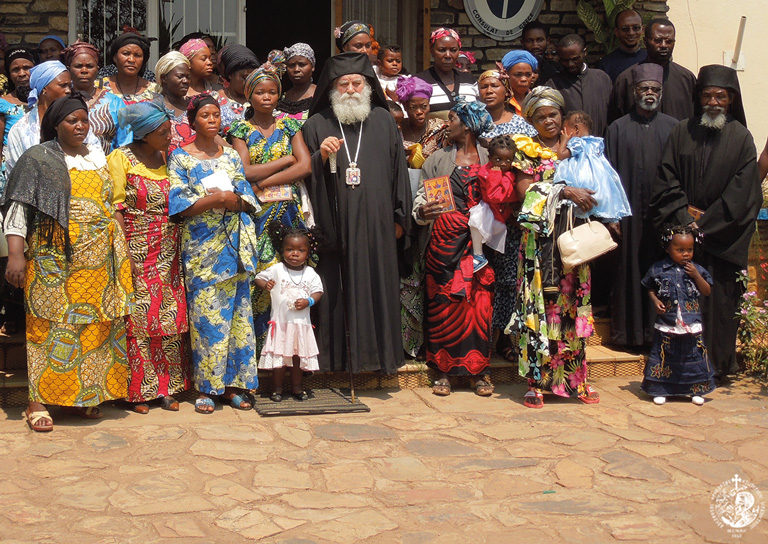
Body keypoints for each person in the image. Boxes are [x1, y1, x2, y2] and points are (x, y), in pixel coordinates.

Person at [2, 95, 133, 431]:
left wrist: (123, 250)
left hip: (99, 260)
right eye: (71, 121)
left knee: (94, 328)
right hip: (54, 259)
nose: (79, 126)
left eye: (84, 120)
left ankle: (83, 397)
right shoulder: (39, 159)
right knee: (48, 327)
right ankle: (37, 402)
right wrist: (16, 254)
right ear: (55, 124)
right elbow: (18, 210)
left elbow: (109, 205)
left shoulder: (96, 156)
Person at [301, 52, 412, 373]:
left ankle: (380, 359)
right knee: (338, 291)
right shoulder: (316, 124)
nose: (350, 89)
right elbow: (307, 178)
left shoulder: (383, 120)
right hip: (337, 226)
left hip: (379, 226)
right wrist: (320, 156)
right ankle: (339, 361)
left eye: (356, 83)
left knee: (378, 289)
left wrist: (399, 217)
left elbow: (399, 172)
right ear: (332, 88)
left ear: (367, 86)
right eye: (343, 83)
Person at [651, 64, 761, 384]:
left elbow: (744, 191)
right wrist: (683, 220)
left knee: (718, 306)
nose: (713, 102)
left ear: (731, 100)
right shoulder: (681, 131)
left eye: (721, 97)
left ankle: (715, 366)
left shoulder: (741, 138)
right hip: (682, 239)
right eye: (708, 95)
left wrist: (705, 225)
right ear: (699, 98)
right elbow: (666, 178)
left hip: (720, 242)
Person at [168, 93, 261, 413]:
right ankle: (206, 388)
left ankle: (232, 387)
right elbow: (180, 206)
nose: (213, 119)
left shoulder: (232, 155)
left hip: (234, 250)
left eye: (217, 115)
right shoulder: (180, 158)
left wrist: (230, 199)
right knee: (207, 320)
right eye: (205, 115)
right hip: (202, 251)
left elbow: (246, 198)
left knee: (237, 321)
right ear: (192, 120)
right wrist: (219, 197)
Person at [509, 86, 601, 408]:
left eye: (553, 114)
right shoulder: (526, 151)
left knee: (572, 306)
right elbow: (525, 191)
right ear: (531, 121)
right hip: (541, 244)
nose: (548, 121)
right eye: (540, 116)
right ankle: (537, 381)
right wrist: (564, 191)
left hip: (575, 240)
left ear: (562, 116)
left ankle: (577, 379)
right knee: (541, 307)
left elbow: (599, 180)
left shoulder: (579, 147)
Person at [108, 101, 191, 413]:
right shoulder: (121, 158)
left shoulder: (168, 157)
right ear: (144, 134)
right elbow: (115, 206)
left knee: (169, 314)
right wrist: (124, 249)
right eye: (163, 133)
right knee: (140, 317)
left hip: (169, 245)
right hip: (137, 245)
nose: (169, 137)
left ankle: (168, 387)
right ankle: (140, 391)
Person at [229, 50, 312, 358]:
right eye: (260, 92)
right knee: (261, 279)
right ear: (249, 95)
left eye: (273, 91)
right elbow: (244, 170)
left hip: (288, 213)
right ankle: (261, 356)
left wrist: (264, 182)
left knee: (292, 278)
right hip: (258, 216)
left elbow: (305, 166)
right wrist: (286, 160)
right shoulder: (240, 130)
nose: (267, 97)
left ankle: (291, 357)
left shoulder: (290, 125)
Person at [413, 98, 494, 396]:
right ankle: (443, 371)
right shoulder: (437, 160)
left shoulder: (491, 157)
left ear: (469, 124)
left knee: (478, 306)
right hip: (443, 244)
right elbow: (422, 198)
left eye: (453, 119)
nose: (448, 124)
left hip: (480, 244)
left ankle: (479, 371)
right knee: (443, 305)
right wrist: (422, 212)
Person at [605, 63, 677, 347]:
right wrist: (611, 217)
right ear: (635, 92)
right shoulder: (617, 128)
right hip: (627, 215)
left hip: (663, 215)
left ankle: (659, 333)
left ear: (661, 92)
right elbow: (608, 175)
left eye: (655, 89)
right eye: (644, 88)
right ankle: (629, 336)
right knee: (628, 269)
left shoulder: (674, 128)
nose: (649, 93)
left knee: (661, 270)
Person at [641, 225, 714, 405]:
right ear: (668, 248)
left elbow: (707, 291)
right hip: (668, 322)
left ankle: (695, 390)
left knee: (693, 356)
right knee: (665, 355)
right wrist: (655, 300)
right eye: (680, 250)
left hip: (691, 323)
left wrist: (696, 275)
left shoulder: (697, 269)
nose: (686, 254)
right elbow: (649, 287)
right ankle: (660, 389)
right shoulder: (659, 269)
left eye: (689, 250)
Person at [255, 222, 323, 402]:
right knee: (279, 359)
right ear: (282, 250)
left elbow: (318, 292)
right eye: (289, 249)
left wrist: (309, 301)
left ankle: (297, 388)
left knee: (297, 360)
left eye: (300, 250)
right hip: (281, 324)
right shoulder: (277, 269)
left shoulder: (310, 273)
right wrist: (266, 285)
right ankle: (276, 389)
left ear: (307, 253)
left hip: (301, 325)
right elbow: (258, 278)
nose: (294, 254)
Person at [6, 60, 100, 172]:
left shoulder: (77, 123)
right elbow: (16, 172)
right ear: (44, 88)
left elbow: (96, 155)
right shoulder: (21, 129)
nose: (68, 91)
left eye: (70, 86)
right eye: (63, 85)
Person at [611, 19, 696, 122]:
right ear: (645, 42)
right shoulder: (627, 79)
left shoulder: (686, 79)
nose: (664, 45)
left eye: (669, 41)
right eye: (658, 41)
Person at [555, 110, 631, 222]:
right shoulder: (595, 142)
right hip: (600, 185)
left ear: (576, 129)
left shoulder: (577, 142)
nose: (562, 133)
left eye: (565, 130)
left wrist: (564, 140)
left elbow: (561, 155)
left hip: (581, 181)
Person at [63, 40, 132, 154]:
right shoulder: (61, 100)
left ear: (97, 69)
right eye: (78, 66)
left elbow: (125, 143)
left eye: (89, 66)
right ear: (69, 68)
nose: (84, 71)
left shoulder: (114, 103)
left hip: (105, 168)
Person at [546, 34, 612, 136]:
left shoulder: (602, 78)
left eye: (575, 59)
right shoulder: (554, 84)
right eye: (565, 60)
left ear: (584, 52)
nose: (570, 64)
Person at [415, 28, 478, 116]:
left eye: (453, 50)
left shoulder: (470, 81)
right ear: (432, 51)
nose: (448, 55)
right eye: (442, 50)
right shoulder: (419, 82)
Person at [0, 46, 35, 192]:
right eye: (15, 70)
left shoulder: (45, 100)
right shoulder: (3, 103)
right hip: (10, 169)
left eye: (26, 68)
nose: (22, 74)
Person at [397, 76, 447, 169]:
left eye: (424, 106)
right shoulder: (398, 128)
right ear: (405, 107)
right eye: (413, 107)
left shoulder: (440, 129)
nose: (419, 112)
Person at [476, 66, 537, 141]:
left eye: (494, 86)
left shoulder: (520, 124)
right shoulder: (473, 125)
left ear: (506, 92)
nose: (489, 91)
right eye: (484, 87)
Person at [98, 32, 158, 104]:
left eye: (137, 55)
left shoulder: (156, 91)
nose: (131, 60)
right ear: (115, 57)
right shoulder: (98, 87)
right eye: (126, 54)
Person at [155, 51, 194, 154]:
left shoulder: (195, 106)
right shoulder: (153, 108)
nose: (186, 81)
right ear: (164, 78)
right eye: (180, 76)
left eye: (188, 77)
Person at [216, 44, 260, 134]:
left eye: (252, 78)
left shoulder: (260, 99)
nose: (248, 82)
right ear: (230, 75)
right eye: (244, 77)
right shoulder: (215, 100)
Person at [596, 9, 647, 81]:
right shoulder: (606, 64)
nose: (631, 33)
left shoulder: (652, 58)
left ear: (642, 30)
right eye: (625, 29)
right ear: (616, 32)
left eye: (636, 28)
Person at [277, 43, 316, 122]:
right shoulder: (282, 97)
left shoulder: (320, 94)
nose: (296, 69)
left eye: (302, 65)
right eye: (291, 65)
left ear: (312, 67)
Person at [500, 50, 538, 116]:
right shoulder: (500, 102)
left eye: (528, 74)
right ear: (506, 75)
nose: (524, 79)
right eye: (518, 74)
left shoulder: (537, 100)